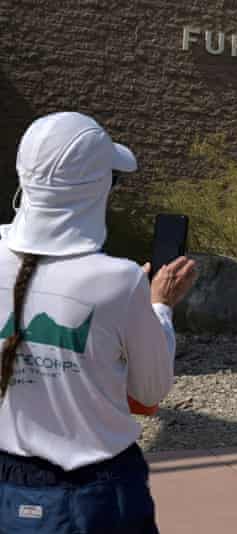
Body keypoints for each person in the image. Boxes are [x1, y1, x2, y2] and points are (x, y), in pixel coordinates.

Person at [0, 112, 197, 533]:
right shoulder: (119, 280)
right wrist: (159, 306)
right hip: (97, 494)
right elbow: (149, 388)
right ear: (98, 190)